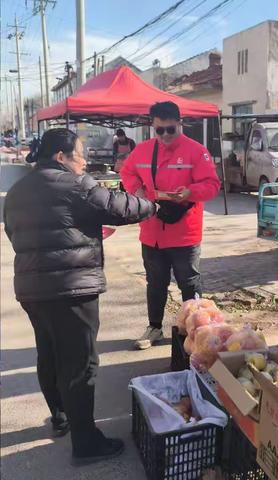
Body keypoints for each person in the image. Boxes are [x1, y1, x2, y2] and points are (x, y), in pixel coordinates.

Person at [3, 128, 158, 465]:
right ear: (61, 157)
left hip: (32, 290)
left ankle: (60, 417)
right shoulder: (76, 183)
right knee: (80, 365)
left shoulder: (16, 191)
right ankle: (86, 443)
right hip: (72, 291)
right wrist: (153, 203)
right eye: (81, 153)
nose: (85, 160)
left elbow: (15, 234)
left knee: (49, 353)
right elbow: (120, 207)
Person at [121, 101, 220, 350]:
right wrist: (138, 190)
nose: (165, 135)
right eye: (159, 130)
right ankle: (154, 327)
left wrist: (189, 191)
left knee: (189, 283)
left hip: (185, 233)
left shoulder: (197, 152)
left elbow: (212, 185)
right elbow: (127, 172)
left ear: (180, 124)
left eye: (170, 129)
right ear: (153, 127)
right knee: (155, 283)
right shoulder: (143, 151)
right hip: (152, 231)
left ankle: (196, 332)